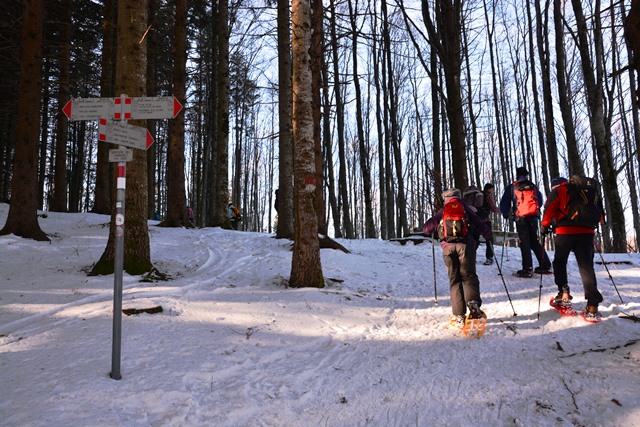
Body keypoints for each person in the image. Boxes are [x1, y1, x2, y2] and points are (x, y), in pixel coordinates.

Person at [423, 188, 493, 329]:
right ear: (459, 196)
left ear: (446, 198)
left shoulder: (444, 210)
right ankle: (473, 305)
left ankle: (459, 315)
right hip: (466, 246)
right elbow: (480, 223)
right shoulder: (465, 208)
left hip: (448, 248)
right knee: (469, 276)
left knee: (455, 280)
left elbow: (427, 229)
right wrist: (488, 234)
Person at [541, 176, 604, 321]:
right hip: (587, 233)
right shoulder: (587, 192)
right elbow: (600, 214)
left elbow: (549, 208)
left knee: (560, 262)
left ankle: (564, 294)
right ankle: (592, 307)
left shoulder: (559, 191)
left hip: (565, 232)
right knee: (586, 267)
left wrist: (545, 225)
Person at [499, 166, 551, 277]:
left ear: (517, 175)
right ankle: (545, 265)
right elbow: (540, 201)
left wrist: (505, 214)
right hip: (533, 218)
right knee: (534, 242)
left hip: (520, 219)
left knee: (525, 243)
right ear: (526, 175)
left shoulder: (512, 187)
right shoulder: (532, 186)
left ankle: (527, 269)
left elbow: (504, 203)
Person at [480, 183, 501, 265]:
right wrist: (500, 210)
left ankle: (470, 256)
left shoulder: (480, 195)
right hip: (485, 220)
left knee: (475, 239)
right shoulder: (488, 195)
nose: (493, 191)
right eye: (492, 189)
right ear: (489, 189)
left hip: (476, 220)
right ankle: (489, 257)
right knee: (489, 239)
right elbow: (493, 207)